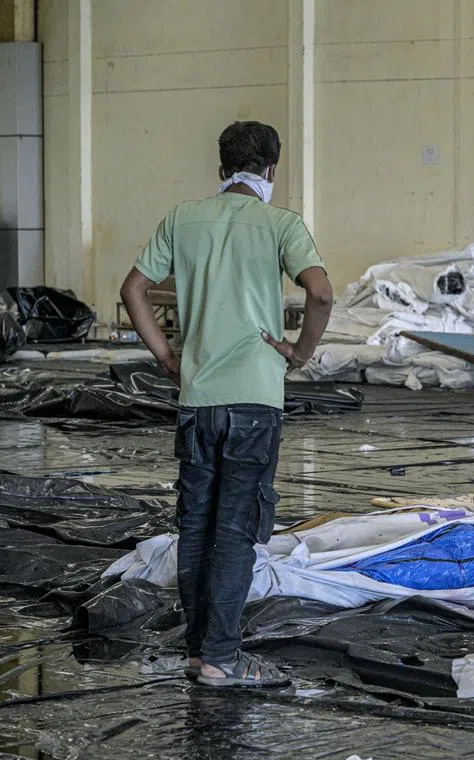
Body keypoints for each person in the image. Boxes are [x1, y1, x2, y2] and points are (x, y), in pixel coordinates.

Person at [119, 121, 333, 687]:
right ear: (271, 170)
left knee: (197, 528)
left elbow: (133, 289)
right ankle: (221, 658)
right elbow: (321, 290)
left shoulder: (182, 219)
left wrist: (167, 354)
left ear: (221, 168)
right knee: (236, 530)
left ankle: (198, 650)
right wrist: (300, 352)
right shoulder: (280, 223)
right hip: (256, 401)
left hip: (199, 399)